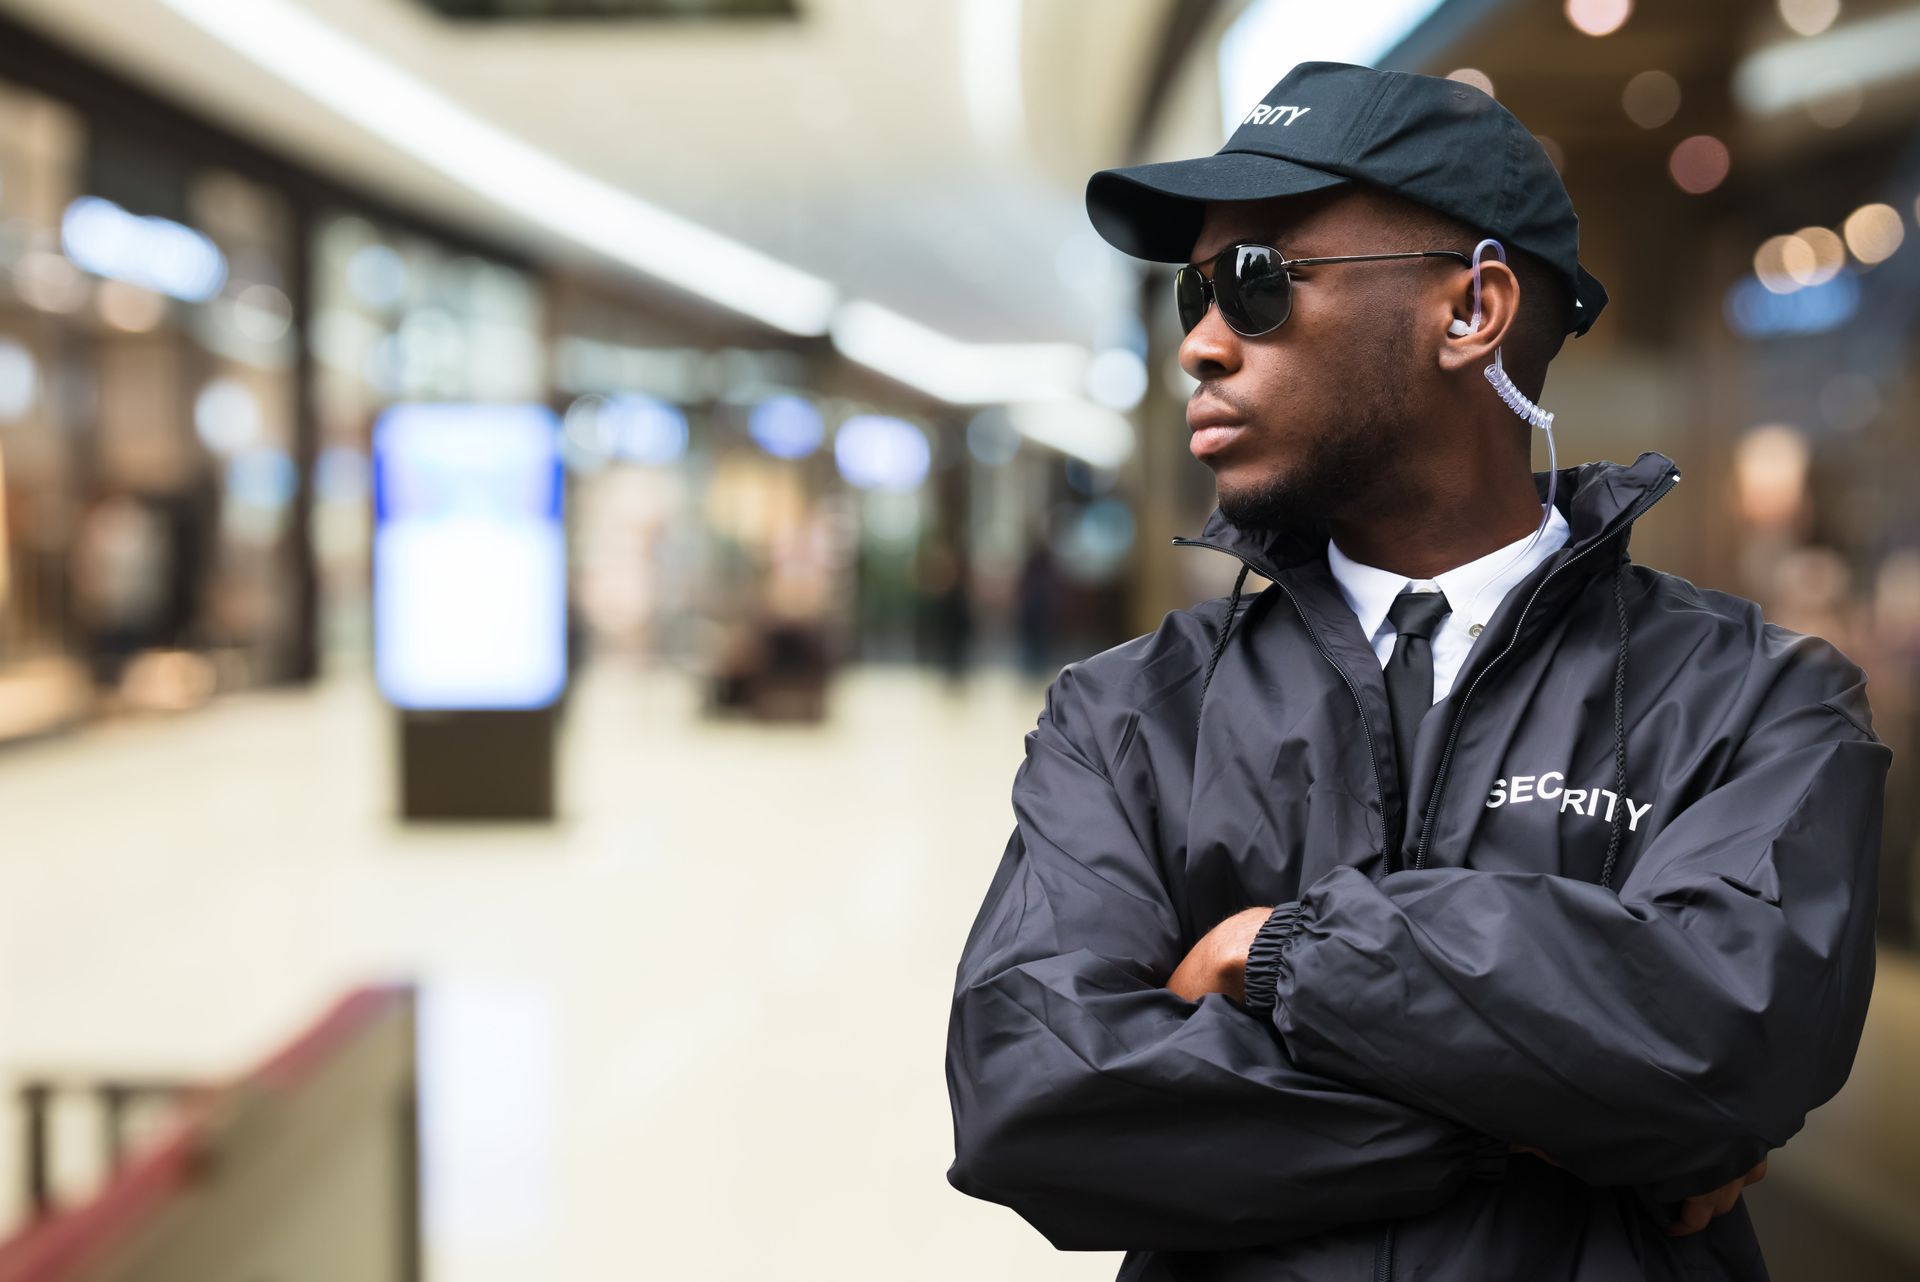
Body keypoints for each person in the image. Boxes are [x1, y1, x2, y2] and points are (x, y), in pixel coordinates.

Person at [943, 61, 1888, 1282]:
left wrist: (1288, 952)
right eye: (1193, 294)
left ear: (1472, 310)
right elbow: (1037, 1089)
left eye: (1257, 282)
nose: (1203, 346)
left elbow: (1732, 1042)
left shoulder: (1756, 698)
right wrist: (1567, 1122)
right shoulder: (1128, 713)